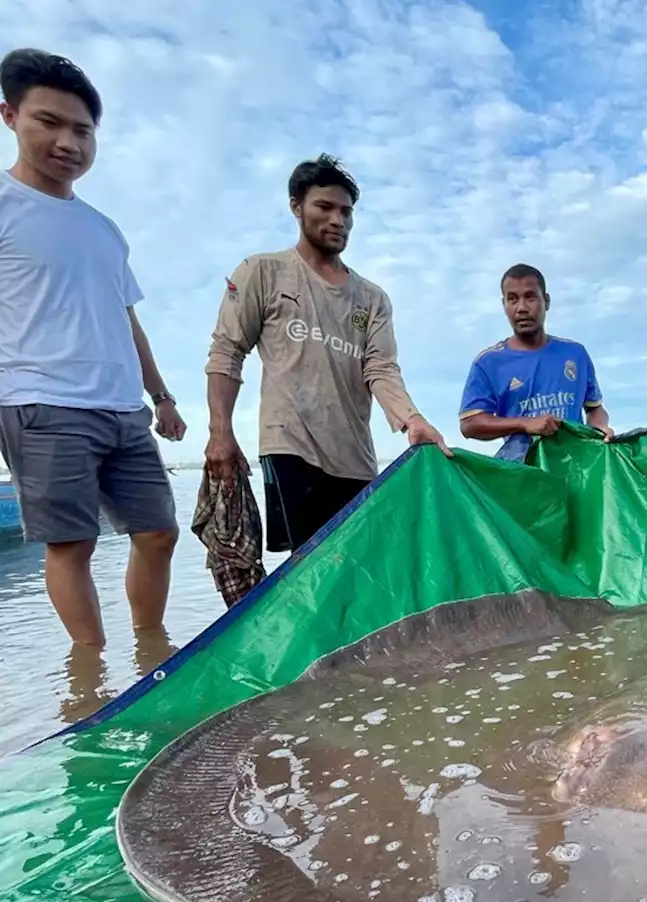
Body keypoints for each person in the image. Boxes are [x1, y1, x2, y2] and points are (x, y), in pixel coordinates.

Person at [0, 48, 185, 649]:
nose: (67, 142)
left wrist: (161, 396)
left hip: (122, 407)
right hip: (40, 402)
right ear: (10, 116)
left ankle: (150, 649)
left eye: (81, 129)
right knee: (71, 544)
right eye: (48, 122)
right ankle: (93, 670)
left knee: (158, 532)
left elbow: (128, 320)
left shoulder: (105, 229)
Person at [204, 154, 450, 554]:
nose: (338, 220)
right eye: (325, 207)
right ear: (296, 207)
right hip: (289, 446)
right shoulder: (263, 272)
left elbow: (381, 368)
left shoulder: (372, 298)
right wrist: (220, 431)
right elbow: (227, 351)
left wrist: (412, 420)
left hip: (355, 457)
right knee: (310, 566)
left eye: (347, 212)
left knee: (359, 566)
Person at [458, 264, 611, 462]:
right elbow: (469, 424)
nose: (521, 308)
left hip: (578, 468)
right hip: (524, 474)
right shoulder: (488, 363)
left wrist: (599, 428)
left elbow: (594, 407)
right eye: (512, 299)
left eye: (530, 297)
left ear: (546, 301)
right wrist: (525, 424)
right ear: (504, 304)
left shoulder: (575, 354)